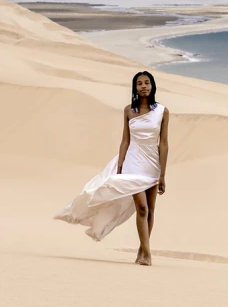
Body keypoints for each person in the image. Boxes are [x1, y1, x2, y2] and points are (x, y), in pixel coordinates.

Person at [54, 71, 170, 265]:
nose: (143, 86)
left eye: (147, 83)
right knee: (141, 208)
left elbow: (164, 143)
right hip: (133, 162)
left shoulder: (162, 111)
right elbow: (125, 140)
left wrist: (163, 174)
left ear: (152, 86)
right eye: (139, 83)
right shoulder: (128, 111)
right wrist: (120, 165)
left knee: (150, 210)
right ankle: (148, 254)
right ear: (135, 88)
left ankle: (142, 251)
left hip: (152, 163)